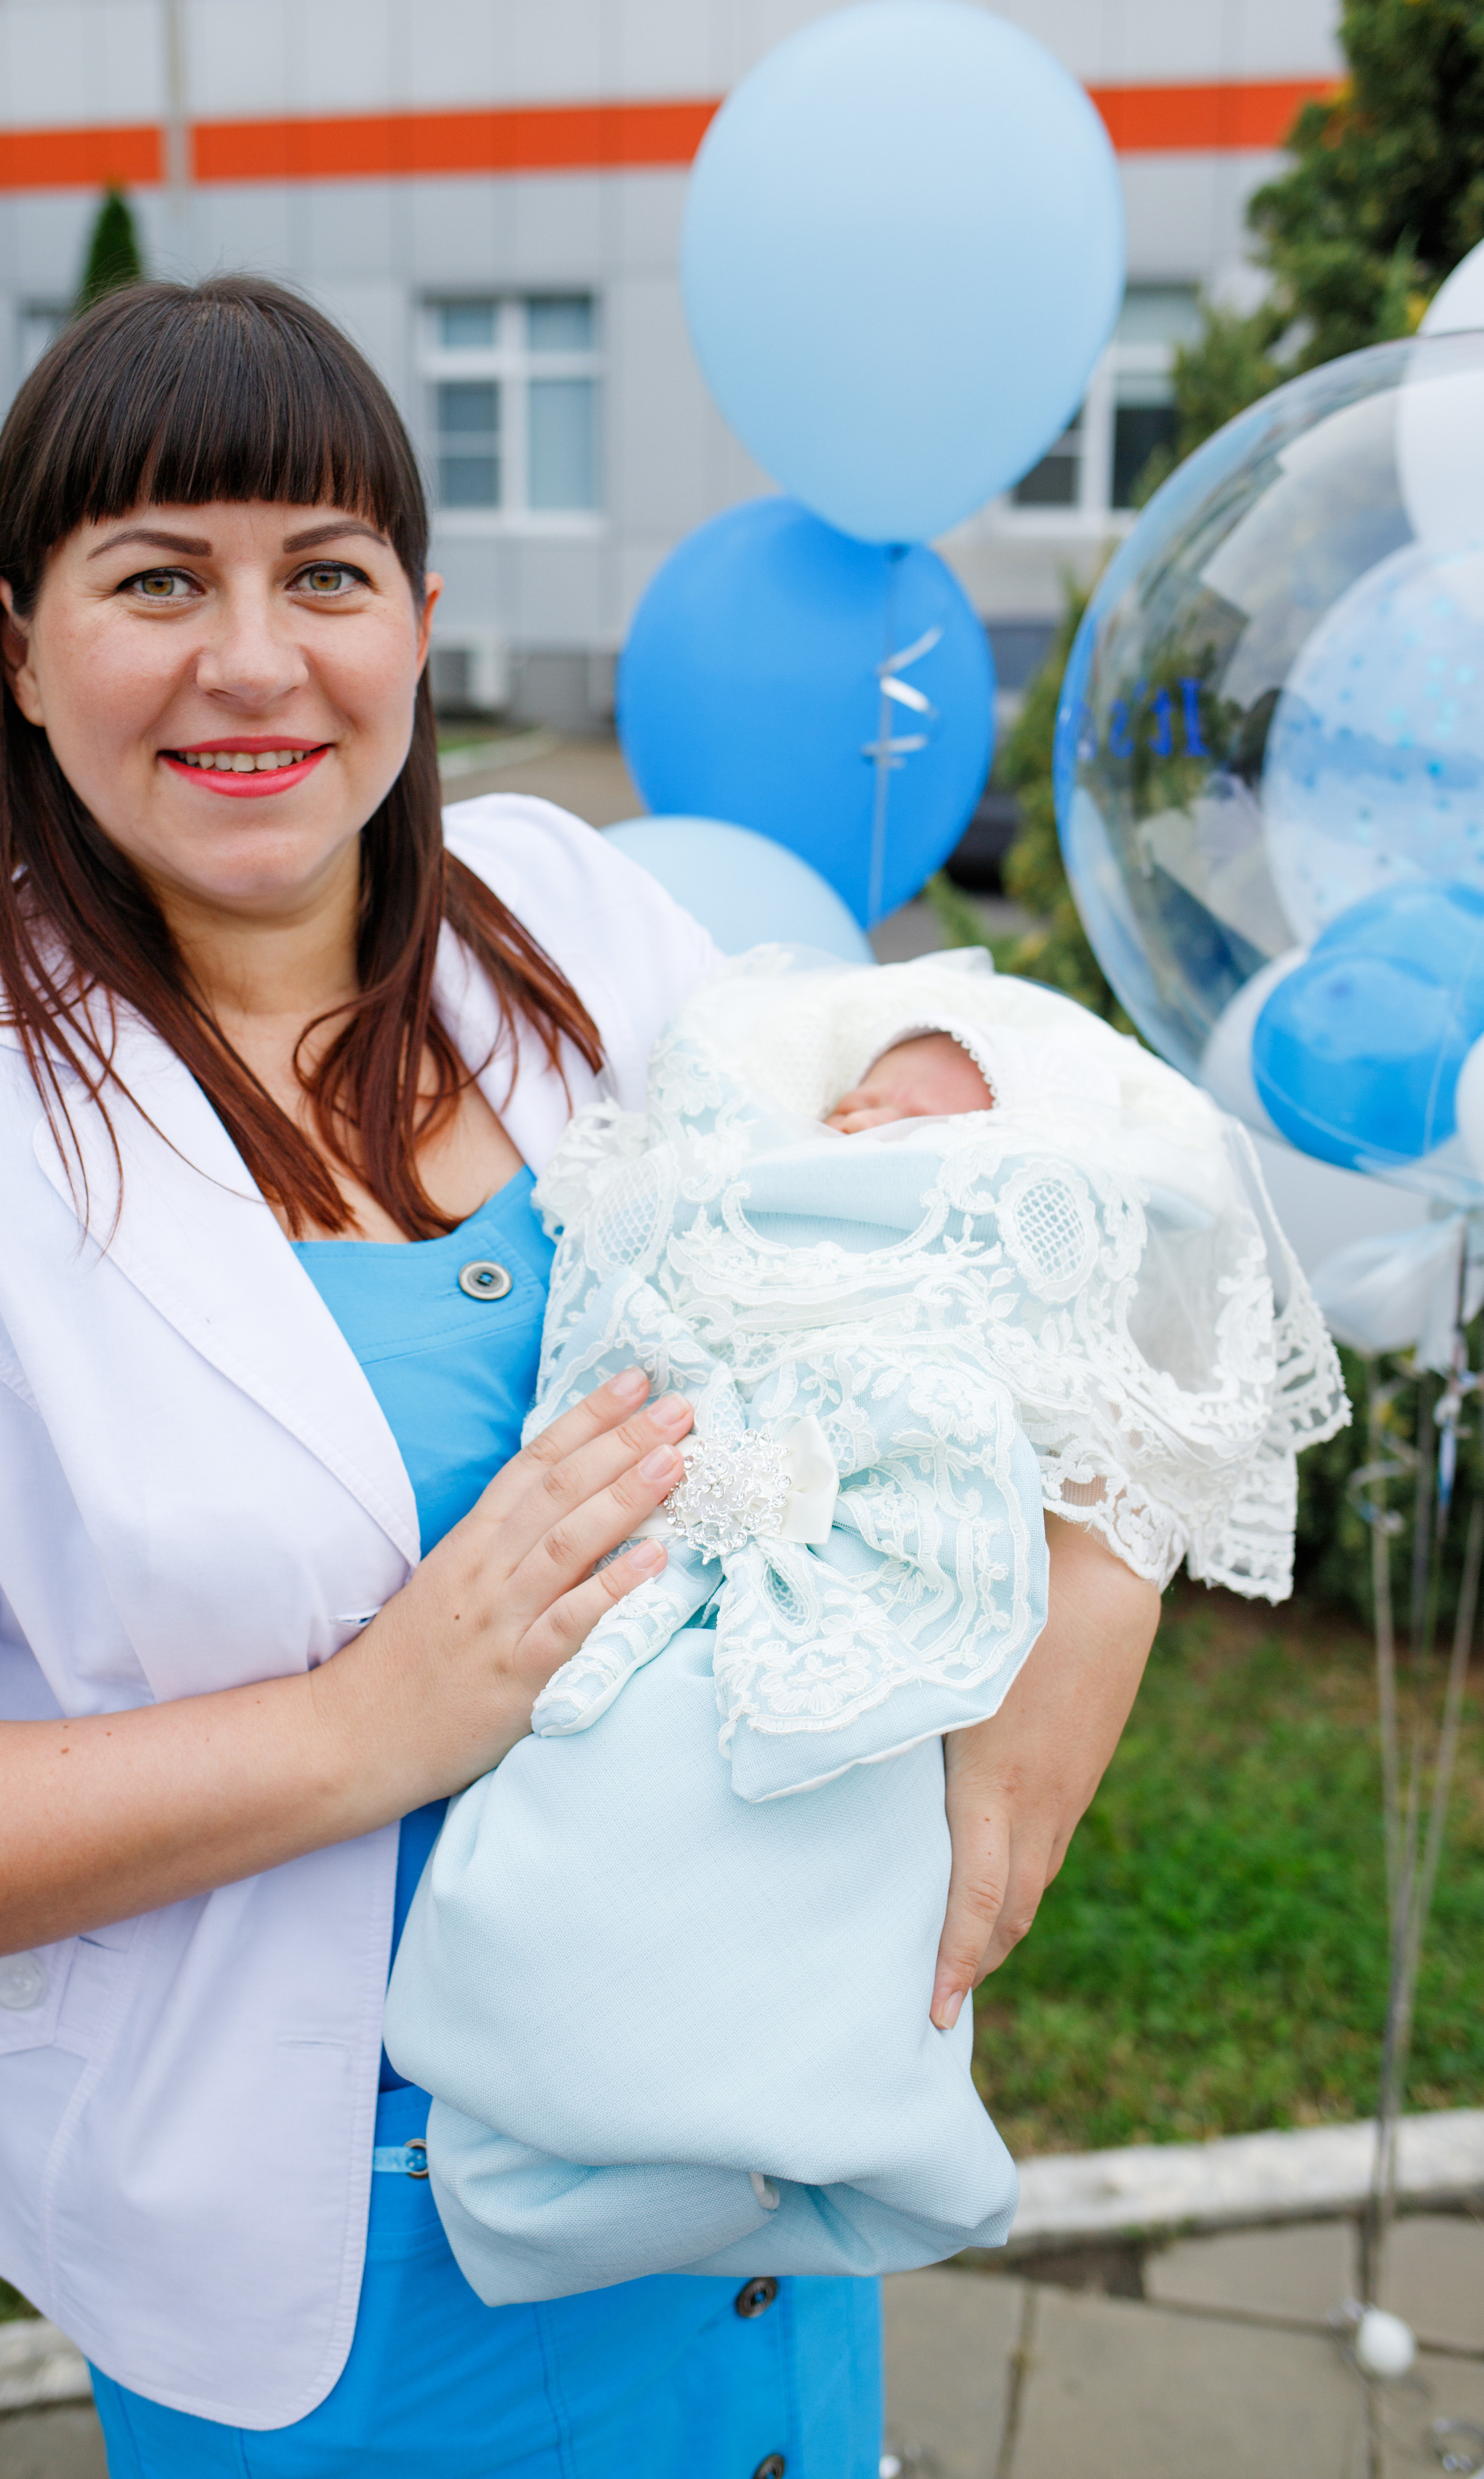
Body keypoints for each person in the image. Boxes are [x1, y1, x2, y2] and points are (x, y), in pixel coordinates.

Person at [0, 276, 1161, 2479]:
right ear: (22, 648)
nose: (257, 660)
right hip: (348, 2280)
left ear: (415, 624)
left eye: (323, 575)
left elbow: (975, 1151)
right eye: (159, 579)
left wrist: (1102, 1576)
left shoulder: (564, 917)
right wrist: (360, 1731)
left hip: (756, 2165)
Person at [383, 949, 1349, 2306]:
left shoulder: (1001, 1237)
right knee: (608, 1798)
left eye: (914, 1114)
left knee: (847, 1843)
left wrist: (1100, 1582)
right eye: (859, 1099)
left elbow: (1040, 1409)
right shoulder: (711, 1117)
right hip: (668, 1579)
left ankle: (784, 2118)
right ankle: (544, 2095)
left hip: (864, 1615)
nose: (860, 1126)